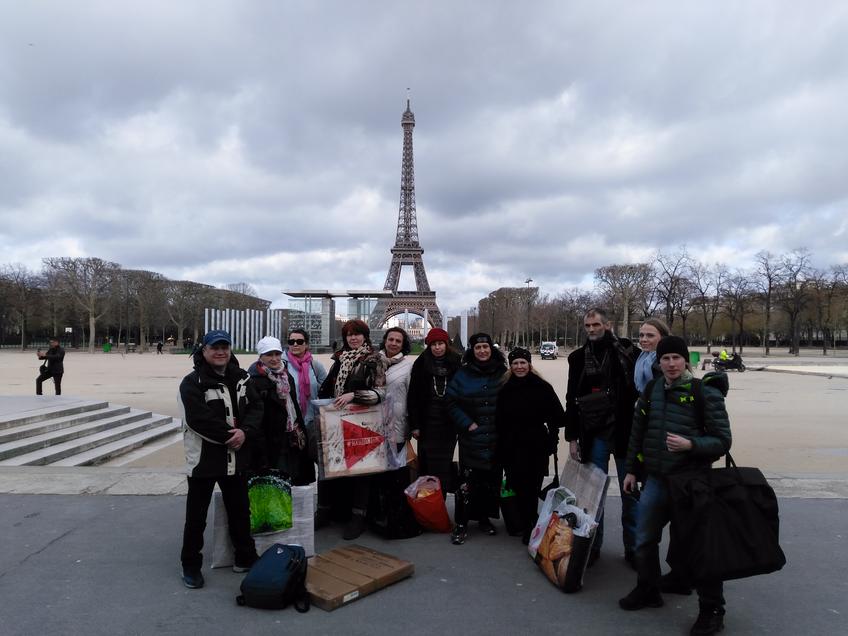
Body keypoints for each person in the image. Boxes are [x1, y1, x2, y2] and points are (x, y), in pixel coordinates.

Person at [619, 335, 731, 636]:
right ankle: (648, 589)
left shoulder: (703, 392)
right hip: (655, 479)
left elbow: (722, 440)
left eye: (676, 358)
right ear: (659, 362)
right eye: (665, 358)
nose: (670, 364)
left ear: (686, 361)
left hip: (690, 481)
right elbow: (637, 433)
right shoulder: (653, 389)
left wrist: (690, 444)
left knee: (699, 547)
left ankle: (712, 608)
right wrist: (631, 469)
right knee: (644, 539)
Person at [178, 329, 263, 589]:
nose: (220, 351)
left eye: (224, 346)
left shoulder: (243, 378)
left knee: (240, 512)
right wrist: (233, 436)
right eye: (215, 347)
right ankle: (190, 565)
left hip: (235, 458)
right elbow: (197, 419)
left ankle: (245, 556)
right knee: (196, 516)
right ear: (203, 351)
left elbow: (256, 407)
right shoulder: (191, 383)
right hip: (204, 459)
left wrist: (245, 432)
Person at [563, 307, 639, 567]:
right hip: (593, 432)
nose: (592, 329)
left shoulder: (629, 353)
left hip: (624, 432)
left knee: (631, 493)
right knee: (593, 495)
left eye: (596, 324)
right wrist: (572, 437)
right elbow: (571, 399)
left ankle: (634, 549)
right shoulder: (578, 358)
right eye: (588, 326)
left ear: (608, 324)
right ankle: (593, 545)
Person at [316, 319, 386, 539]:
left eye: (357, 334)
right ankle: (327, 510)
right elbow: (327, 387)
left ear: (365, 336)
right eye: (349, 335)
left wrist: (354, 395)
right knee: (331, 465)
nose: (353, 338)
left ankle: (358, 516)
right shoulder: (339, 359)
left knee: (360, 470)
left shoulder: (375, 359)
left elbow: (381, 392)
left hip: (362, 420)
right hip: (337, 420)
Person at [495, 347, 565, 544]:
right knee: (518, 484)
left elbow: (556, 416)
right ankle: (527, 521)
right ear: (510, 366)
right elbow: (499, 421)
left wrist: (552, 439)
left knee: (532, 487)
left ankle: (529, 524)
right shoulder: (505, 389)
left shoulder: (542, 387)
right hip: (512, 444)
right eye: (515, 363)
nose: (519, 366)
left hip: (535, 444)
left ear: (529, 365)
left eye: (522, 363)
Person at [445, 332, 507, 545]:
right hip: (472, 436)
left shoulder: (502, 371)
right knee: (468, 482)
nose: (482, 351)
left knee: (490, 482)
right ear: (472, 350)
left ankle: (483, 518)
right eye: (478, 348)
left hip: (495, 437)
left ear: (491, 348)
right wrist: (467, 423)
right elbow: (450, 402)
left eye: (485, 347)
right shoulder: (462, 374)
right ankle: (461, 523)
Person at [248, 336, 314, 485]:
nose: (274, 358)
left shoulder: (285, 375)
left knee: (293, 479)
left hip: (290, 437)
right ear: (261, 357)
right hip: (270, 440)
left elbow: (293, 406)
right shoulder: (254, 380)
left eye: (277, 354)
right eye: (269, 355)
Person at [408, 328, 462, 497]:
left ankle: (441, 503)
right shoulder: (421, 363)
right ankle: (428, 504)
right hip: (427, 424)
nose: (437, 348)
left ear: (447, 345)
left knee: (443, 466)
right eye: (433, 344)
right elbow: (413, 396)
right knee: (427, 466)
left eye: (440, 344)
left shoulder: (457, 363)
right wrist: (415, 425)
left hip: (448, 424)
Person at [281, 328, 327, 463]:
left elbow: (325, 389)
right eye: (291, 341)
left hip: (311, 421)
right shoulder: (282, 364)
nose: (295, 344)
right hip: (290, 422)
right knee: (293, 461)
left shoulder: (315, 365)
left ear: (306, 344)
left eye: (299, 341)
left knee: (314, 458)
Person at [634, 318, 670, 393]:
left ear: (663, 337)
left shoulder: (669, 360)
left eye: (650, 336)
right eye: (641, 335)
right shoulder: (640, 357)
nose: (644, 339)